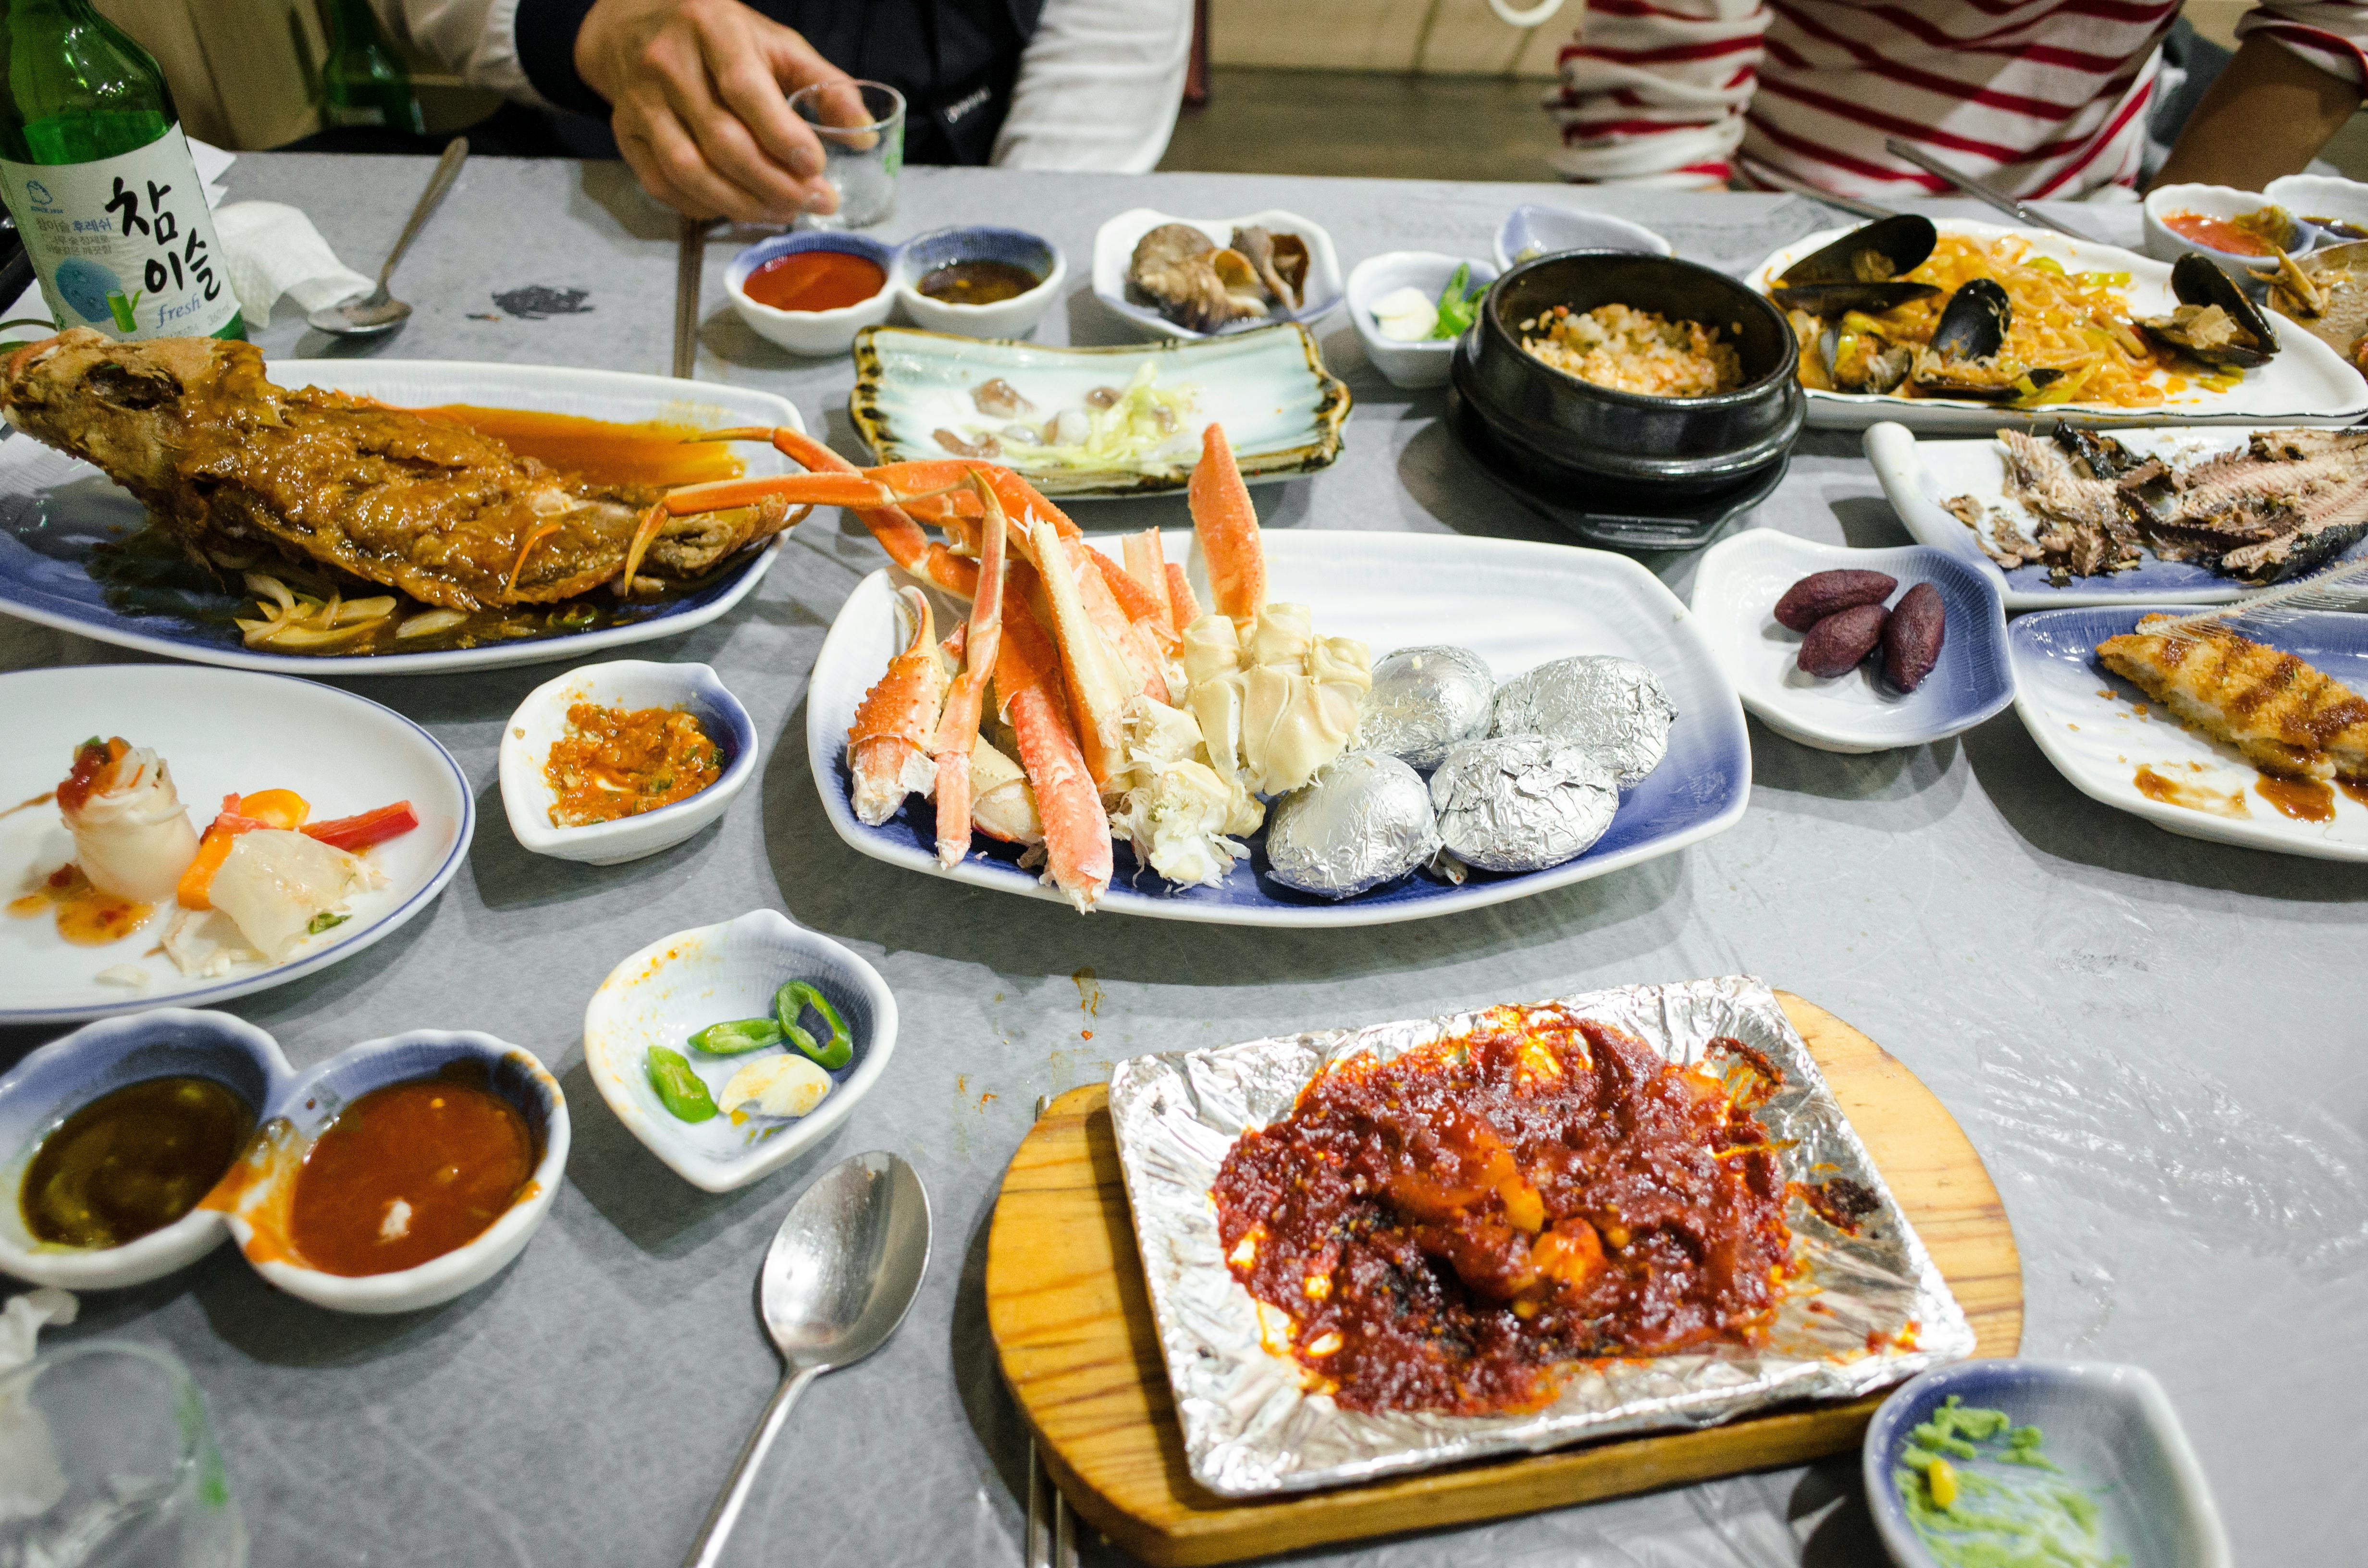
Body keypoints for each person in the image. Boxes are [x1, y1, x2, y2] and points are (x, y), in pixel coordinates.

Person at [378, 0, 1192, 221]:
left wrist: (1020, 218)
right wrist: (594, 33)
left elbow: (1102, 64)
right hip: (595, 165)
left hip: (949, 180)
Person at [1542, 0, 2368, 197]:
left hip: (2076, 216)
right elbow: (1649, 122)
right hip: (1773, 211)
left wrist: (2172, 270)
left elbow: (2329, 15)